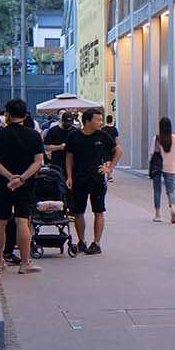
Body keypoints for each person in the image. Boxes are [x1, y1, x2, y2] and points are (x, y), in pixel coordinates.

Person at [0, 99, 44, 277]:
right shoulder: (34, 135)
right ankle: (25, 262)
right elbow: (38, 162)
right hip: (25, 185)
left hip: (3, 183)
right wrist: (21, 178)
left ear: (7, 115)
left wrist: (9, 176)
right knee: (22, 221)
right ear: (25, 115)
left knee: (0, 220)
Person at [65, 106, 114, 253]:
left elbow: (118, 150)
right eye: (97, 120)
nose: (100, 122)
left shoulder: (102, 136)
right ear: (87, 121)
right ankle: (81, 241)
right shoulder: (74, 136)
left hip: (96, 180)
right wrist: (69, 176)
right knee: (78, 212)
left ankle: (96, 243)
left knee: (98, 211)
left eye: (101, 119)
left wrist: (109, 169)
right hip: (79, 179)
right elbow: (69, 156)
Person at [148, 116, 175, 224]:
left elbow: (152, 153)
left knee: (157, 190)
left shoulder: (156, 138)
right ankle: (173, 208)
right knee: (170, 190)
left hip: (158, 167)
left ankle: (157, 214)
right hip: (171, 167)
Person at [98, 114, 122, 185]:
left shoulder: (104, 129)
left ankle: (108, 175)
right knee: (111, 161)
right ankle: (109, 174)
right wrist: (116, 146)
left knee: (107, 161)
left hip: (104, 147)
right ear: (112, 120)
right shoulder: (114, 129)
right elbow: (116, 139)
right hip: (112, 147)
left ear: (106, 120)